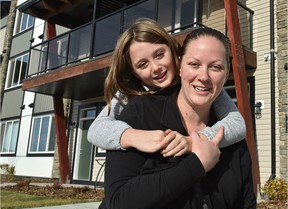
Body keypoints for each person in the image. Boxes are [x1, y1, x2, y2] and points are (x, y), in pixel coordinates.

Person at [103, 26, 258, 209]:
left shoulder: (231, 135)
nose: (204, 76)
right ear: (180, 66)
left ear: (226, 74)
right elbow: (119, 203)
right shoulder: (137, 113)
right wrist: (128, 136)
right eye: (194, 64)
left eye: (216, 67)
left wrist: (195, 141)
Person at [87, 18, 246, 157]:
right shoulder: (130, 92)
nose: (155, 67)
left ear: (172, 49)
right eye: (143, 64)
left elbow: (237, 123)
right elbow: (96, 129)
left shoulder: (197, 83)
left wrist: (195, 141)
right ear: (134, 72)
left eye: (159, 55)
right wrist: (132, 136)